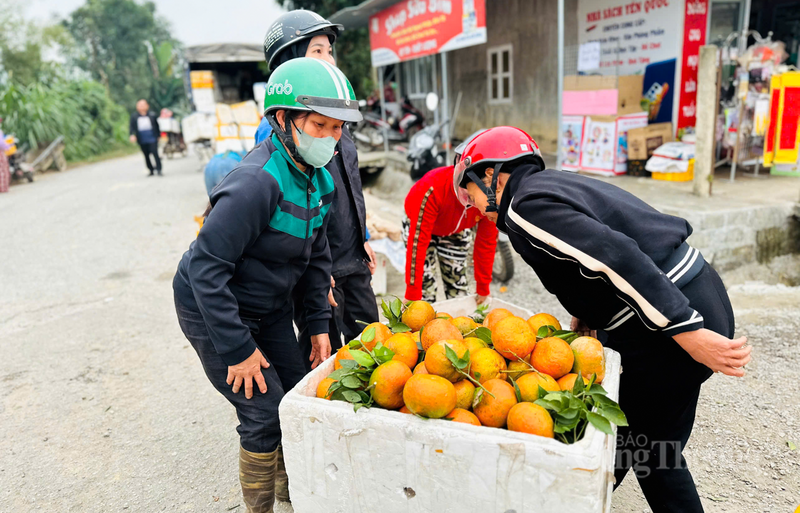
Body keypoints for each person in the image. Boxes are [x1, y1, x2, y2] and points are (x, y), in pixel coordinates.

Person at [453, 126, 752, 513]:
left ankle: (587, 496)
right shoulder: (547, 186)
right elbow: (586, 255)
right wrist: (588, 311)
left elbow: (616, 256)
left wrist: (687, 329)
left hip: (670, 311)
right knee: (634, 432)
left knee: (650, 451)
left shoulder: (525, 206)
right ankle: (590, 497)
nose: (471, 204)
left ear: (493, 175)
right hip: (693, 289)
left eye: (470, 191)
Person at [172, 58, 362, 513]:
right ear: (282, 119)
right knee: (262, 411)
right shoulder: (256, 184)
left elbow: (317, 257)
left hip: (271, 304)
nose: (331, 139)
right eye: (320, 125)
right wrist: (237, 349)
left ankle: (291, 493)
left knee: (295, 396)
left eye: (338, 129)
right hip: (213, 306)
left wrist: (318, 323)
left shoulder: (318, 181)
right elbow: (205, 269)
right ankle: (262, 508)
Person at [257, 9, 379, 371]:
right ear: (289, 63)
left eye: (329, 51)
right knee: (325, 355)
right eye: (317, 51)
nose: (329, 59)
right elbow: (286, 208)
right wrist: (311, 268)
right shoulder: (279, 132)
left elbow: (350, 185)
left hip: (351, 254)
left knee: (372, 343)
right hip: (315, 262)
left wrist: (365, 236)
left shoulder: (335, 119)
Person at [402, 131, 497, 304]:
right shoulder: (433, 188)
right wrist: (412, 292)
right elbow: (418, 242)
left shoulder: (490, 199)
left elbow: (486, 242)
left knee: (459, 292)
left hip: (456, 230)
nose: (471, 200)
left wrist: (483, 287)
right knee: (423, 297)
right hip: (420, 228)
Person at [129, 99, 162, 176]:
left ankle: (159, 169)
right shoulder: (134, 117)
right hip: (141, 137)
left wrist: (158, 136)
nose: (142, 107)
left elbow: (157, 126)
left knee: (155, 153)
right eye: (140, 105)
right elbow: (131, 127)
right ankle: (151, 170)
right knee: (146, 155)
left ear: (147, 106)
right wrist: (132, 135)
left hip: (152, 137)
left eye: (143, 105)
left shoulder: (152, 115)